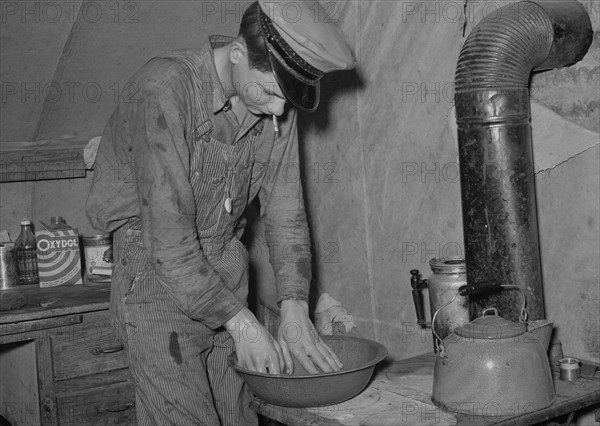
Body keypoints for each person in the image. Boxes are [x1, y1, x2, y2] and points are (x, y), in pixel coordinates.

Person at [86, 0, 355, 424]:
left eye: (287, 99)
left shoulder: (275, 106)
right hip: (155, 275)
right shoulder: (163, 89)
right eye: (268, 92)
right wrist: (242, 323)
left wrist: (294, 308)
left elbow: (286, 211)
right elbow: (169, 242)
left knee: (240, 415)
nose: (278, 112)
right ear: (236, 53)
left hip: (227, 265)